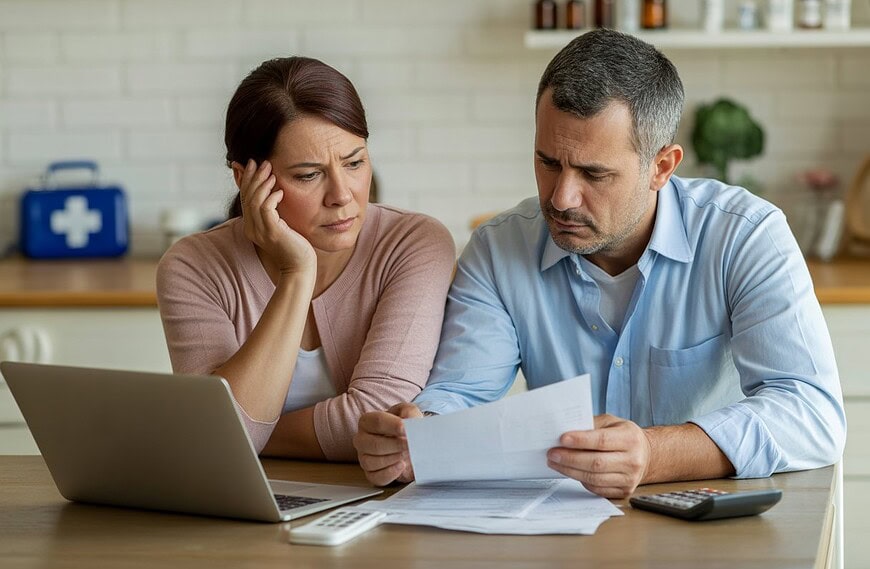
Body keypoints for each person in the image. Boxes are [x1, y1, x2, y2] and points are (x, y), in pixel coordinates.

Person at [353, 29, 846, 497]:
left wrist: (654, 454)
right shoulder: (498, 250)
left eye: (593, 174)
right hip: (561, 523)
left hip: (709, 519)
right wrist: (417, 438)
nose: (561, 198)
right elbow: (460, 393)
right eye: (548, 163)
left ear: (662, 167)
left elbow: (811, 414)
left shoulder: (744, 235)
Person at [156, 57, 455, 461]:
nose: (342, 195)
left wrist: (232, 433)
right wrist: (297, 272)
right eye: (308, 175)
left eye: (354, 163)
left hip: (372, 495)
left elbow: (380, 416)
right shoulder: (193, 267)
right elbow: (218, 441)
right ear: (246, 180)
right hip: (242, 495)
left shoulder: (414, 244)